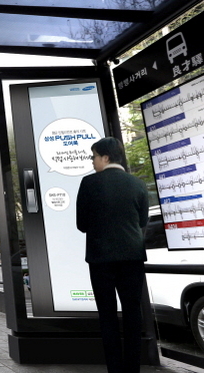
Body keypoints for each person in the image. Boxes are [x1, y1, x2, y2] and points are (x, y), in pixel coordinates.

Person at [76, 137, 149, 373]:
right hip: (132, 257)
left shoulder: (89, 183)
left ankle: (115, 369)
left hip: (101, 259)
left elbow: (82, 224)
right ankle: (132, 369)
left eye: (94, 157)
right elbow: (143, 221)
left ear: (105, 157)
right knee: (132, 313)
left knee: (107, 315)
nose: (93, 162)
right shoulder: (137, 184)